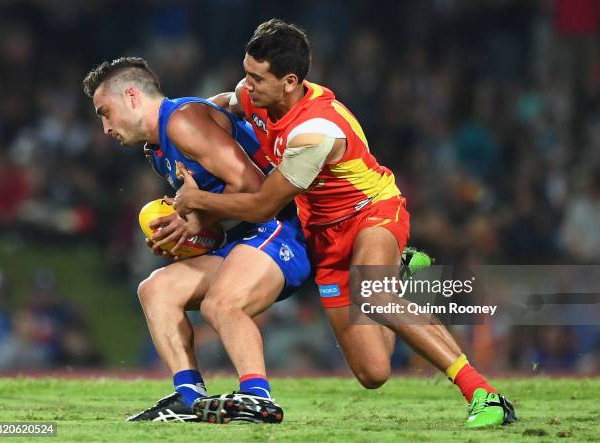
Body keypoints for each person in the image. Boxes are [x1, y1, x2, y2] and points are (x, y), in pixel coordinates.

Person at [173, 19, 517, 428]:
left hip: (371, 212)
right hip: (324, 234)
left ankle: (485, 394)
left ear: (290, 81)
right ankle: (397, 274)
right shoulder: (255, 95)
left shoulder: (314, 131)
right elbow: (218, 106)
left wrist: (197, 199)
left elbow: (264, 205)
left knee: (372, 293)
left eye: (256, 77)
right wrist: (172, 130)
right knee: (374, 373)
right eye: (246, 72)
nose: (247, 84)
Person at [82, 57, 311, 423]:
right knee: (156, 289)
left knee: (221, 304)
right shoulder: (158, 151)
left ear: (131, 96)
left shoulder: (182, 122)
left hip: (281, 228)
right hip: (244, 236)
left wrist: (198, 213)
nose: (105, 127)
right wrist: (186, 230)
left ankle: (258, 399)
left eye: (105, 112)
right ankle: (189, 399)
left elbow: (257, 191)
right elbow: (215, 221)